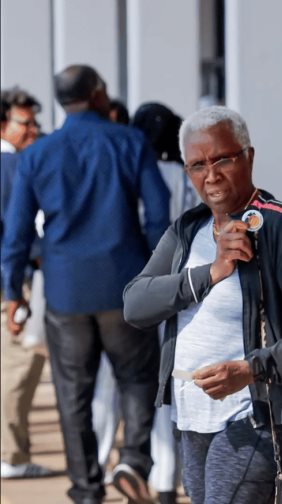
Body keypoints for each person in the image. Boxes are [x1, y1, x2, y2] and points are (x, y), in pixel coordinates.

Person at [122, 106, 282, 503]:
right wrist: (210, 273)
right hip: (193, 411)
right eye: (197, 165)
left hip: (258, 410)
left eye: (222, 159)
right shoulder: (187, 229)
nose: (210, 175)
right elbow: (135, 305)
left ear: (248, 156)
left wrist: (254, 369)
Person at [1, 65, 170, 504]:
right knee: (137, 378)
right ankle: (133, 461)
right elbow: (157, 209)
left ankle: (86, 488)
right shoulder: (129, 141)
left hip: (65, 291)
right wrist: (157, 270)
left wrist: (10, 293)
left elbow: (16, 233)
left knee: (72, 392)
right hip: (125, 285)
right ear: (98, 94)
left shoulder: (37, 155)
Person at [90, 101, 199, 504]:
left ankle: (99, 467)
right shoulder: (186, 178)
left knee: (109, 383)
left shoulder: (130, 171)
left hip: (130, 289)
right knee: (165, 386)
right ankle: (167, 479)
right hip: (178, 289)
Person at [0, 87, 52, 480]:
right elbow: (16, 234)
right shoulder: (11, 166)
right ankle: (11, 455)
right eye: (26, 122)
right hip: (15, 279)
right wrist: (12, 294)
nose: (33, 129)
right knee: (19, 366)